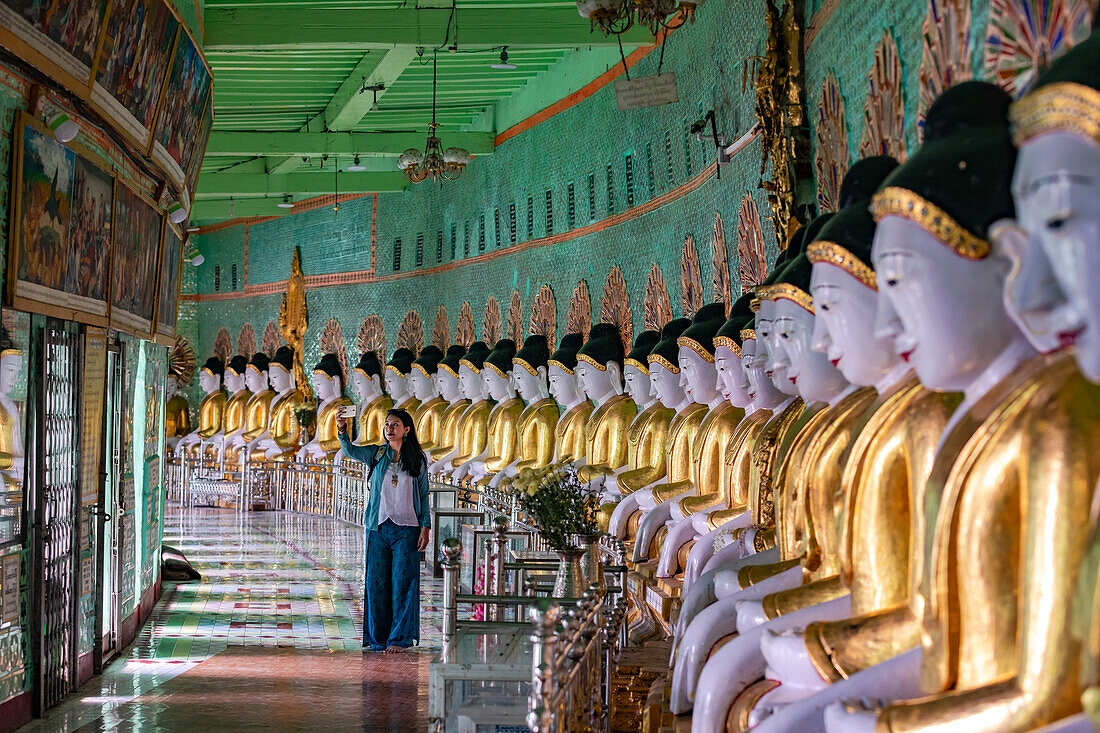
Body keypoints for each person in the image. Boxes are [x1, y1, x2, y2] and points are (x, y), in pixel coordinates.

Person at [337, 408, 431, 653]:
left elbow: (423, 495)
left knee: (403, 583)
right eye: (387, 424)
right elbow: (350, 451)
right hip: (378, 527)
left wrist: (426, 526)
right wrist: (342, 430)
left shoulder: (417, 459)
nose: (390, 428)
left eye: (395, 424)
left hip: (407, 528)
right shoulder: (377, 454)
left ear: (406, 430)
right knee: (376, 583)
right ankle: (378, 638)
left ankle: (399, 639)